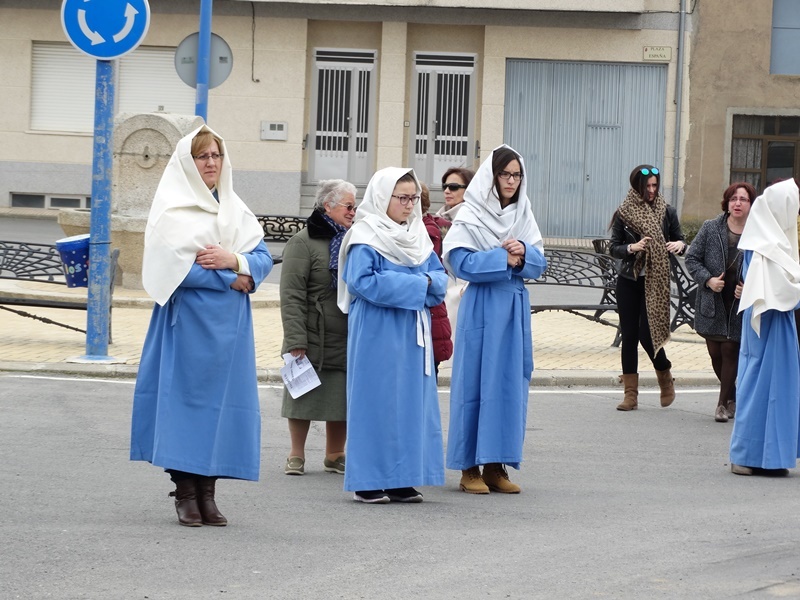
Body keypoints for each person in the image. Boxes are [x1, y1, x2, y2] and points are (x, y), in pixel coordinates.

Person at [130, 125, 273, 527]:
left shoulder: (235, 208)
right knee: (185, 406)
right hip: (187, 325)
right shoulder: (172, 209)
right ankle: (186, 493)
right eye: (202, 156)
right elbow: (171, 269)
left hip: (231, 330)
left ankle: (208, 493)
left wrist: (236, 261)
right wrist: (231, 277)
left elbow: (262, 257)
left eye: (217, 155)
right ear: (186, 162)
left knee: (220, 409)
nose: (212, 163)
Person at [337, 167, 448, 504]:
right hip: (377, 329)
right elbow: (363, 281)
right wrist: (419, 284)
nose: (410, 205)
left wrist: (422, 284)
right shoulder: (365, 236)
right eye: (402, 198)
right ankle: (368, 480)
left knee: (409, 403)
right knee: (376, 402)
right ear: (383, 197)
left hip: (412, 331)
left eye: (414, 198)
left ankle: (402, 477)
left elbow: (440, 279)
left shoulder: (418, 236)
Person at [442, 145, 547, 494]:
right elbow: (460, 262)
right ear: (492, 175)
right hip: (481, 306)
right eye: (505, 174)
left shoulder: (523, 213)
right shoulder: (471, 214)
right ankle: (468, 467)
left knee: (507, 385)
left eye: (517, 175)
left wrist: (524, 254)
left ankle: (495, 465)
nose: (512, 181)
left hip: (513, 308)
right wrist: (504, 259)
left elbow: (539, 263)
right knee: (474, 383)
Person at [280, 179, 356, 476]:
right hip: (312, 334)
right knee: (302, 394)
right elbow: (292, 294)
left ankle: (335, 455)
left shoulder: (354, 239)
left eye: (354, 207)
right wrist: (295, 338)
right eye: (348, 206)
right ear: (328, 206)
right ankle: (296, 454)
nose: (353, 212)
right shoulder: (302, 242)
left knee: (340, 397)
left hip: (346, 332)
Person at [729, 178, 800, 476]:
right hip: (767, 322)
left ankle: (774, 458)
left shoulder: (777, 241)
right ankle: (744, 456)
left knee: (781, 387)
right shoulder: (762, 244)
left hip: (780, 322)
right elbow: (780, 288)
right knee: (758, 383)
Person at [609, 165, 687, 411]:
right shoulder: (624, 213)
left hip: (655, 282)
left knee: (647, 335)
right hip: (629, 280)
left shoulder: (667, 212)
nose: (652, 190)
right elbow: (613, 247)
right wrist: (631, 248)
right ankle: (630, 395)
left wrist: (679, 245)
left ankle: (665, 375)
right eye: (647, 186)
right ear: (637, 187)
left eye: (654, 185)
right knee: (629, 336)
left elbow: (681, 239)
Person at [685, 182, 756, 422]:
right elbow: (692, 258)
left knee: (730, 349)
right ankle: (733, 396)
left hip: (738, 304)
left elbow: (765, 266)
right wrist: (708, 280)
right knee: (715, 353)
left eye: (743, 199)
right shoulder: (710, 227)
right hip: (712, 301)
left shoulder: (757, 232)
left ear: (751, 204)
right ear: (727, 203)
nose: (738, 203)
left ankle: (722, 404)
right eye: (734, 199)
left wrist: (749, 287)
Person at [420, 183, 453, 377]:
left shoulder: (426, 232)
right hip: (433, 314)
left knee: (427, 374)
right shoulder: (433, 227)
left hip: (430, 314)